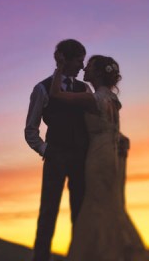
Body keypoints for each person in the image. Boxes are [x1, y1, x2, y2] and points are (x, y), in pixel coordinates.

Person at [50, 54, 149, 261]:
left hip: (98, 156)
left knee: (97, 205)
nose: (84, 69)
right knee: (108, 204)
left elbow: (56, 94)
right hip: (111, 154)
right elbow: (114, 129)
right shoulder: (112, 99)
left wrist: (59, 69)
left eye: (89, 66)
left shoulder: (94, 98)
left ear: (97, 73)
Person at [25, 39, 91, 261]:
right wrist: (45, 150)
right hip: (56, 157)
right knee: (48, 213)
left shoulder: (84, 89)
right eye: (79, 61)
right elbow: (31, 128)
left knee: (80, 214)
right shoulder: (42, 88)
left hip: (81, 158)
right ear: (66, 59)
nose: (83, 67)